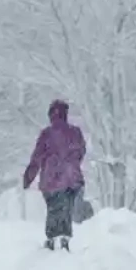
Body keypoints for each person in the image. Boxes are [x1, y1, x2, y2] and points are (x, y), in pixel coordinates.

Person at [22, 99, 86, 251]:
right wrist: (72, 165)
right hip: (73, 179)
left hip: (52, 179)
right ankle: (64, 238)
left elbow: (37, 158)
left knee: (53, 209)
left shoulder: (47, 134)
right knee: (66, 209)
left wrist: (28, 178)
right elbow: (81, 152)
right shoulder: (75, 132)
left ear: (51, 115)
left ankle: (51, 239)